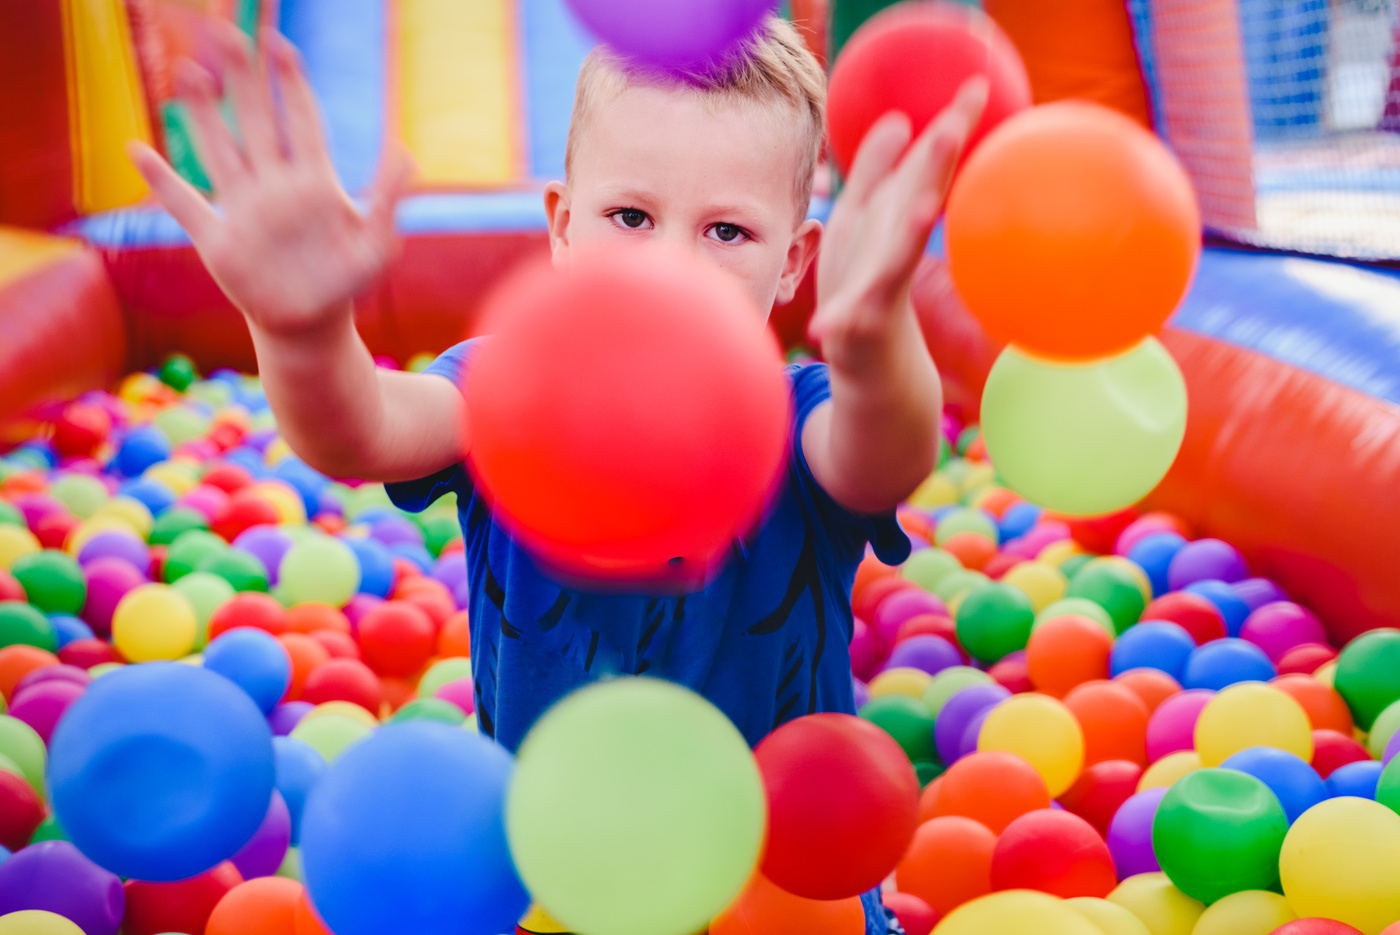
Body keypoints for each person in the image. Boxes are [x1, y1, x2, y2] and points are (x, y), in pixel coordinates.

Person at [131, 15, 985, 935]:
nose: (670, 266)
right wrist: (302, 333)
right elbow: (363, 431)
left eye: (728, 231)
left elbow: (882, 454)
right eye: (631, 217)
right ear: (561, 228)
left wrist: (875, 344)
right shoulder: (505, 391)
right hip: (556, 886)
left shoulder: (810, 413)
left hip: (778, 897)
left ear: (794, 263)